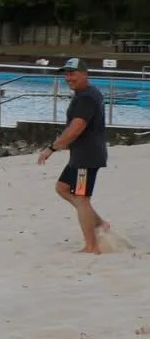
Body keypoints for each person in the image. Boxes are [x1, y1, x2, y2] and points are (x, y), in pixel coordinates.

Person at [37, 57, 110, 253]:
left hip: (87, 156)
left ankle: (92, 246)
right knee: (62, 188)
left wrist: (51, 149)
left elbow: (76, 129)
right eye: (66, 74)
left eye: (73, 73)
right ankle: (100, 223)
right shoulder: (88, 92)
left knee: (81, 198)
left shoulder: (86, 98)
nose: (69, 78)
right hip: (82, 154)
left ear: (85, 74)